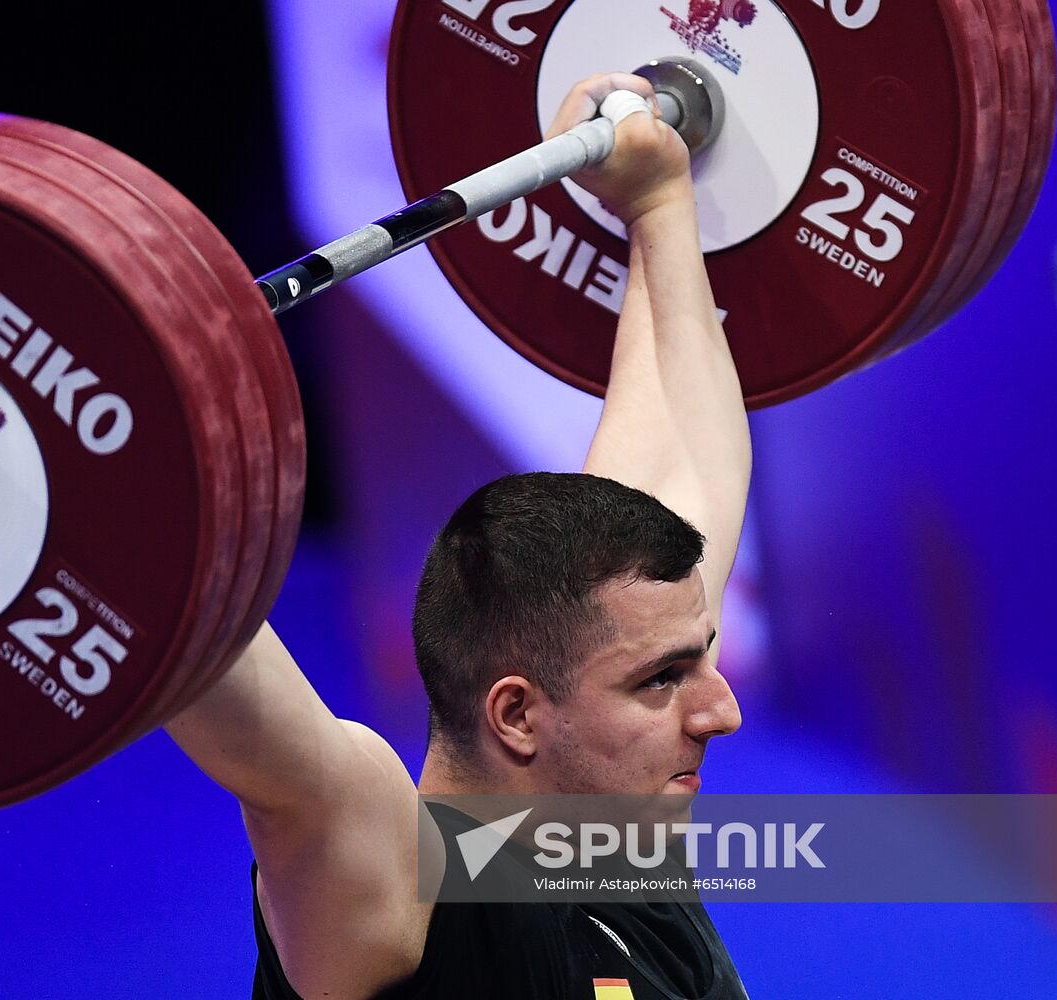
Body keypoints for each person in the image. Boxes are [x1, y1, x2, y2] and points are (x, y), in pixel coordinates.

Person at [166, 71, 751, 999]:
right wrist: (99, 476)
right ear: (517, 714)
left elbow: (679, 473)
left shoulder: (608, 838)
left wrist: (660, 202)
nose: (721, 712)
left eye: (698, 659)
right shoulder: (407, 891)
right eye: (662, 681)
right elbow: (273, 744)